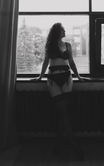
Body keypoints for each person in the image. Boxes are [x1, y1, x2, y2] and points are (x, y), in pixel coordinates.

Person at [32, 22, 87, 160]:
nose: (65, 32)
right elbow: (45, 62)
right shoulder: (49, 46)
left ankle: (59, 143)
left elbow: (72, 62)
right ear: (57, 32)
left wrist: (79, 76)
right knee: (62, 111)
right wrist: (40, 76)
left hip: (67, 78)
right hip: (53, 79)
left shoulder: (67, 45)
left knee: (63, 112)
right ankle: (73, 144)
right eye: (63, 30)